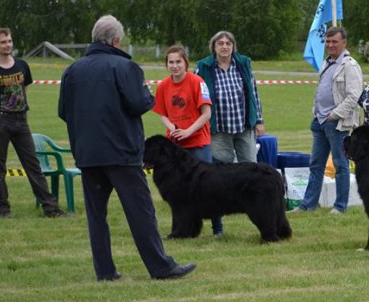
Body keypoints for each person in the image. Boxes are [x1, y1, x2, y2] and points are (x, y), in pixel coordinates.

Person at [58, 15, 195, 281]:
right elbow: (139, 103)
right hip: (122, 153)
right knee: (141, 212)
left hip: (88, 153)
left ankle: (105, 271)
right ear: (116, 41)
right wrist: (148, 95)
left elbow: (64, 111)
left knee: (96, 217)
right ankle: (161, 267)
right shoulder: (125, 67)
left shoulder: (72, 71)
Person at [0, 28, 67, 218]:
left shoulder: (22, 65)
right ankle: (3, 209)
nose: (7, 45)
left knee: (33, 165)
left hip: (21, 121)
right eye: (3, 42)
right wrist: (5, 109)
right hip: (0, 121)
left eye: (9, 41)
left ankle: (50, 209)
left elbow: (24, 89)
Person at [152, 45, 221, 237]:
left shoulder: (197, 82)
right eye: (171, 62)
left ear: (186, 63)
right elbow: (162, 114)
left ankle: (218, 229)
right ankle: (181, 230)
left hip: (198, 142)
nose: (175, 66)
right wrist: (172, 127)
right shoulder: (163, 86)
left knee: (209, 187)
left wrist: (189, 131)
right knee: (178, 191)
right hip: (175, 146)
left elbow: (206, 114)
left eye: (178, 62)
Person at [292, 26, 362, 214]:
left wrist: (334, 115)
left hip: (337, 123)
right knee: (316, 165)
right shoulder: (326, 63)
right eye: (328, 42)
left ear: (344, 43)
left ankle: (340, 206)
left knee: (340, 164)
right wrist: (317, 112)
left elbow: (354, 96)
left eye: (334, 42)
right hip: (320, 121)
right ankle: (308, 205)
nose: (330, 45)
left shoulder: (350, 65)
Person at [195, 31, 265, 165]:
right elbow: (196, 98)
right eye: (220, 43)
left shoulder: (243, 64)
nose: (224, 47)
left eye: (228, 43)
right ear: (214, 47)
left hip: (244, 126)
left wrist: (259, 121)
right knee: (222, 170)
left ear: (233, 46)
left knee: (250, 167)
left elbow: (254, 94)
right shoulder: (203, 68)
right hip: (218, 128)